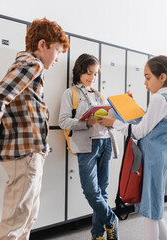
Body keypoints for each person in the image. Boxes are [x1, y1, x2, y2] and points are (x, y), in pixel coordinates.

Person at [0, 18, 69, 239]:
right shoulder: (33, 64)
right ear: (42, 45)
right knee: (15, 223)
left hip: (30, 154)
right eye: (57, 51)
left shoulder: (29, 66)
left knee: (26, 219)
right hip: (24, 155)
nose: (58, 59)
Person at [98, 55, 167, 240]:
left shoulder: (159, 99)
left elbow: (138, 132)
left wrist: (113, 122)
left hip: (152, 160)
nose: (145, 83)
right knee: (154, 210)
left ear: (162, 77)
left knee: (149, 214)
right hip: (158, 159)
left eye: (148, 77)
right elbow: (146, 122)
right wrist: (127, 107)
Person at [58, 53, 119, 240]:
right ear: (79, 71)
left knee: (102, 190)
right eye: (88, 73)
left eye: (95, 74)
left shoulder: (100, 94)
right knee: (91, 191)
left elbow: (108, 118)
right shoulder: (70, 93)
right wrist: (87, 122)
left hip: (105, 142)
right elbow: (63, 121)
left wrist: (114, 115)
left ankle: (97, 234)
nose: (92, 78)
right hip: (87, 146)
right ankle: (111, 219)